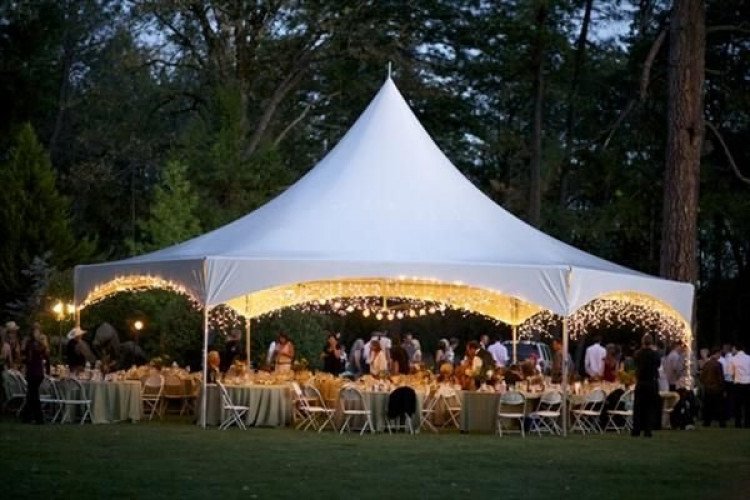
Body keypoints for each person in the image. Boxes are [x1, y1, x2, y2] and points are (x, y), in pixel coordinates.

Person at [632, 334, 661, 437]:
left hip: (641, 382)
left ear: (642, 342)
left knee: (638, 407)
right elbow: (658, 365)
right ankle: (648, 430)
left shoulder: (638, 354)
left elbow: (636, 364)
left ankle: (636, 429)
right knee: (650, 407)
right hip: (651, 382)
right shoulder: (655, 354)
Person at [20, 323, 48, 424]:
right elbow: (23, 354)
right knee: (32, 394)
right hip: (31, 370)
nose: (36, 332)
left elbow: (44, 352)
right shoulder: (28, 342)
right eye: (35, 330)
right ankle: (30, 417)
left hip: (37, 371)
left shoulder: (41, 342)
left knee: (33, 394)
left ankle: (35, 418)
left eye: (38, 330)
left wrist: (41, 342)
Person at [699, 347, 726, 428]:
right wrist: (722, 387)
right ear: (716, 354)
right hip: (717, 388)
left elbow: (702, 377)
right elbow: (720, 378)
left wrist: (706, 384)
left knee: (708, 406)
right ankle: (721, 423)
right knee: (720, 407)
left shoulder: (707, 364)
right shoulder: (718, 364)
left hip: (708, 388)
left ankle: (706, 422)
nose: (720, 356)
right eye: (719, 354)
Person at [728, 342, 750, 428]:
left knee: (737, 405)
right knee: (747, 405)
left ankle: (738, 423)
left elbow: (731, 373)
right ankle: (747, 423)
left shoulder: (733, 359)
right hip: (748, 383)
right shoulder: (749, 358)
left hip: (738, 384)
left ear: (735, 348)